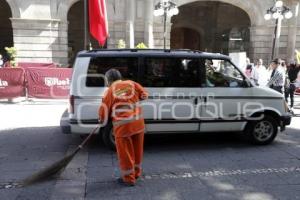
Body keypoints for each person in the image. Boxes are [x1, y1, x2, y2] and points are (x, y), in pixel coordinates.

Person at [98, 69, 148, 187]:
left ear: (109, 80)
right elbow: (144, 95)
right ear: (120, 77)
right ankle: (136, 173)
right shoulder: (132, 84)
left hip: (123, 126)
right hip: (138, 124)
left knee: (125, 153)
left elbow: (104, 108)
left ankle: (128, 179)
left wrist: (101, 119)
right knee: (137, 151)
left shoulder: (110, 90)